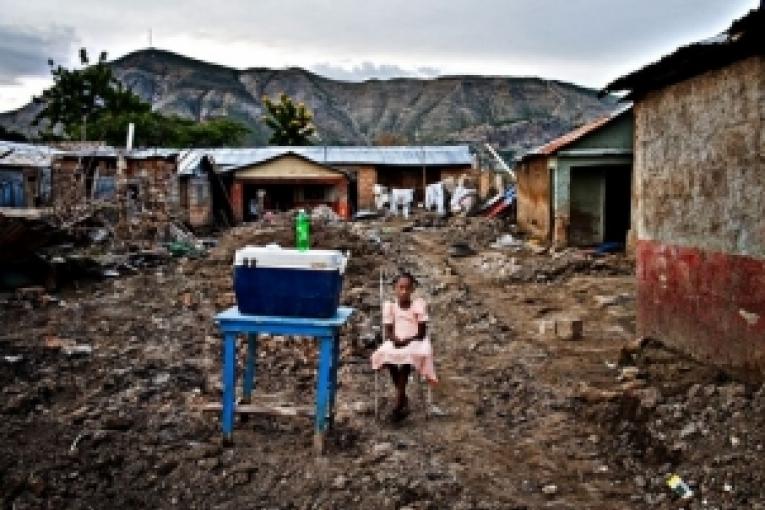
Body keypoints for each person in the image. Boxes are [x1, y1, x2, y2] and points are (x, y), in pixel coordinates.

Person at [371, 271, 437, 422]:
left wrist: (407, 340)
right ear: (395, 288)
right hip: (397, 340)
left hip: (415, 341)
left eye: (407, 288)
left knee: (407, 359)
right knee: (386, 355)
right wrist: (396, 340)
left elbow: (421, 333)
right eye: (400, 288)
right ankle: (402, 396)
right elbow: (388, 332)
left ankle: (400, 400)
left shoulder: (417, 305)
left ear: (412, 289)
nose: (404, 291)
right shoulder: (391, 307)